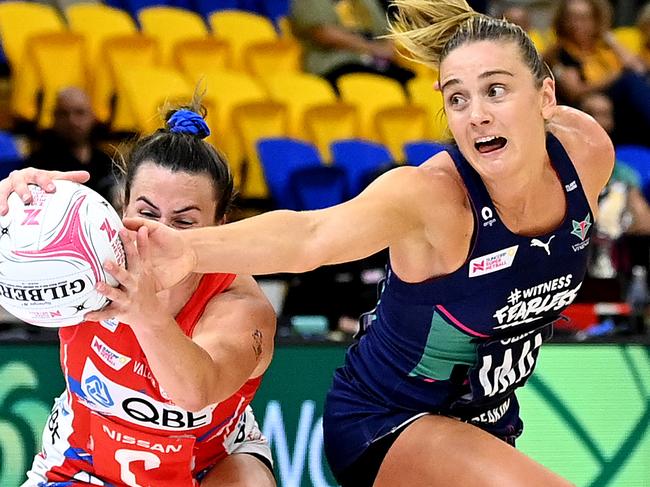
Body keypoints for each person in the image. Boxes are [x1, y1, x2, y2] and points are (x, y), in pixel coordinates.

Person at [13, 0, 615, 484]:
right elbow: (310, 236)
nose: (475, 114)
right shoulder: (430, 198)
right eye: (457, 97)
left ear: (546, 96)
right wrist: (15, 207)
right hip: (391, 419)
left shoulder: (587, 153)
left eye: (496, 90)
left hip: (488, 418)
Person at [1, 104, 277, 487]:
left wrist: (147, 315)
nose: (158, 234)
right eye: (146, 213)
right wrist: (13, 217)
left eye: (183, 221)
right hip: (81, 469)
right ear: (121, 207)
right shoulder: (82, 260)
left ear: (219, 226)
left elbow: (195, 392)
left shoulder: (239, 304)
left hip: (207, 467)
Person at [544, 0, 650, 146]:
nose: (577, 24)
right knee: (628, 82)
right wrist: (615, 76)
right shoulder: (558, 53)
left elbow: (639, 69)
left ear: (595, 20)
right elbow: (574, 91)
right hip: (585, 104)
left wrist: (610, 39)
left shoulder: (603, 47)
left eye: (584, 18)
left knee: (634, 81)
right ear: (563, 21)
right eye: (571, 18)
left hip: (619, 105)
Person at [288, 0, 415, 90]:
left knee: (409, 79)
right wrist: (373, 48)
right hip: (334, 64)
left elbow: (384, 29)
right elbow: (323, 33)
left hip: (373, 64)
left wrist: (388, 47)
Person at [24, 87, 117, 204]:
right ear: (54, 118)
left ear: (93, 116)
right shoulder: (37, 166)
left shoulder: (109, 163)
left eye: (80, 112)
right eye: (64, 113)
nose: (72, 120)